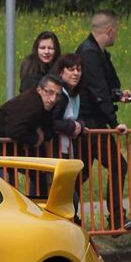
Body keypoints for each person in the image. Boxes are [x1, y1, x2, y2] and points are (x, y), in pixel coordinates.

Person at [76, 10, 131, 231]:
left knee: (81, 173)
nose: (117, 36)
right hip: (90, 123)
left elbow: (103, 89)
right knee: (117, 166)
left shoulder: (97, 53)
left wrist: (118, 95)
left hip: (91, 123)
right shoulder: (89, 53)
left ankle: (62, 214)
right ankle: (115, 219)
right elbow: (96, 92)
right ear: (109, 30)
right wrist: (114, 123)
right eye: (117, 31)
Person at [50, 54, 87, 221]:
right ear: (60, 72)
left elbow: (76, 118)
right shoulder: (58, 94)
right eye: (71, 69)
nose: (75, 73)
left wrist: (80, 125)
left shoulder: (74, 95)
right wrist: (72, 126)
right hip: (54, 150)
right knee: (65, 195)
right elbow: (51, 121)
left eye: (78, 70)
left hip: (67, 149)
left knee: (71, 193)